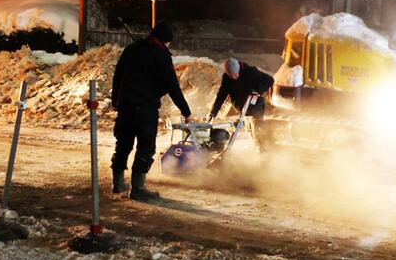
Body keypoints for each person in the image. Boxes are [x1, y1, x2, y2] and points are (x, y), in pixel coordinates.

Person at [111, 21, 191, 201]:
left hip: (126, 104)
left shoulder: (131, 49)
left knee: (123, 143)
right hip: (145, 107)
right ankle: (138, 188)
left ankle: (117, 184)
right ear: (164, 40)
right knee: (145, 146)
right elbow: (172, 86)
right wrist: (186, 111)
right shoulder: (160, 54)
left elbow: (118, 75)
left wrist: (116, 99)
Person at [206, 58, 274, 145]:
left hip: (255, 107)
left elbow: (270, 80)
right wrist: (213, 112)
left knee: (258, 131)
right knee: (249, 129)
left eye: (235, 74)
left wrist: (258, 91)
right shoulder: (226, 78)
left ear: (239, 70)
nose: (234, 77)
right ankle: (257, 145)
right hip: (242, 108)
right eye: (231, 75)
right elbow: (221, 95)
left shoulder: (251, 72)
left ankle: (263, 150)